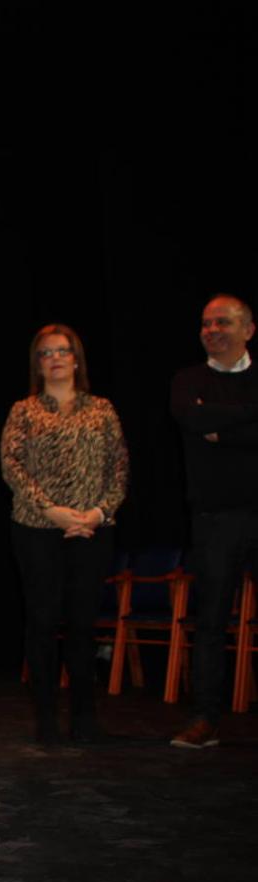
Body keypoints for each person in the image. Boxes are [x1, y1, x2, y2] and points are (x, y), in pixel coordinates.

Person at [1, 324, 127, 744]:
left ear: (76, 359)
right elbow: (12, 466)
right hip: (37, 529)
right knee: (41, 621)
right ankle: (46, 718)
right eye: (45, 353)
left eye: (62, 351)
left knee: (82, 623)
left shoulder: (102, 409)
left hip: (92, 530)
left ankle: (85, 717)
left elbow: (119, 468)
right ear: (37, 364)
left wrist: (97, 512)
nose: (54, 358)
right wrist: (51, 511)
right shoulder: (23, 410)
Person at [169, 294, 258, 749]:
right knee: (210, 620)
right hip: (214, 517)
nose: (211, 329)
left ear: (248, 329)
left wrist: (223, 429)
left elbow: (211, 422)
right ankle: (205, 717)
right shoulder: (188, 380)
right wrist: (246, 419)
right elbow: (193, 417)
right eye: (205, 323)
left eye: (222, 322)